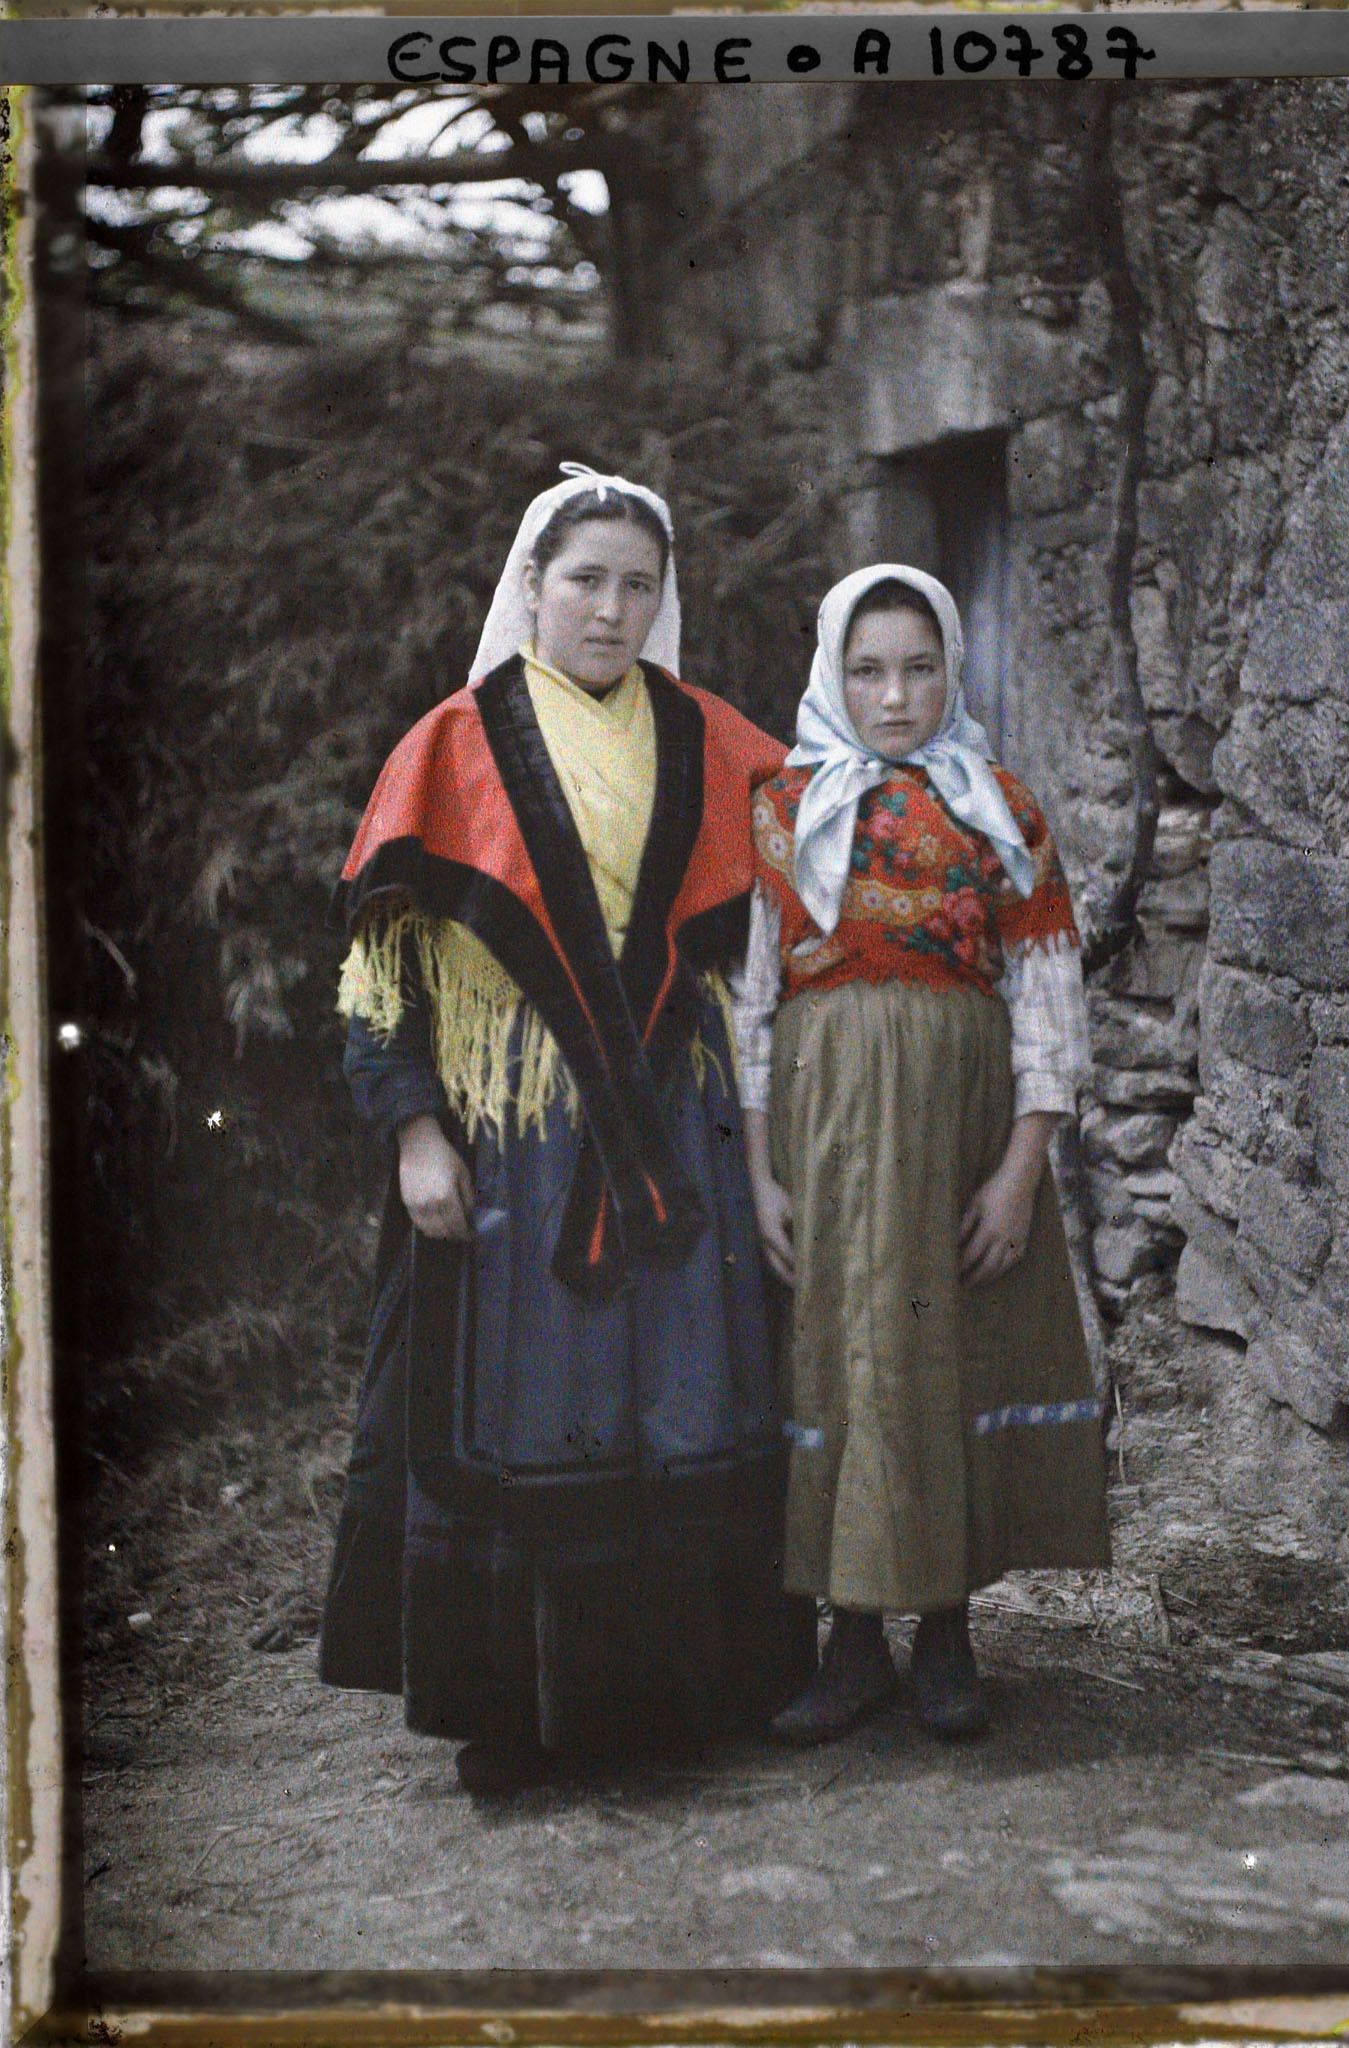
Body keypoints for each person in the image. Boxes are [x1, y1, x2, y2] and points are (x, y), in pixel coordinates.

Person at [318, 463, 814, 1795]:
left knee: (678, 1400)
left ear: (663, 601)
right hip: (516, 1142)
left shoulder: (719, 740)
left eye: (635, 585)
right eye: (584, 579)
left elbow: (809, 912)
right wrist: (415, 1132)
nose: (609, 607)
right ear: (531, 586)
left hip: (676, 1131)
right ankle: (517, 1713)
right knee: (526, 1408)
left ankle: (684, 1704)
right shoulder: (448, 747)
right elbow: (380, 973)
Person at [732, 564, 1110, 1746]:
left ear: (951, 669)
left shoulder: (1002, 809)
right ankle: (850, 1647)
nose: (893, 694)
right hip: (824, 1125)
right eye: (866, 668)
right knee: (842, 1360)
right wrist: (754, 1168)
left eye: (917, 665)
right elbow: (746, 1001)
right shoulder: (782, 809)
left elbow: (1050, 996)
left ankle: (944, 1637)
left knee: (945, 1355)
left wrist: (1019, 1166)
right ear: (830, 674)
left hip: (959, 1128)